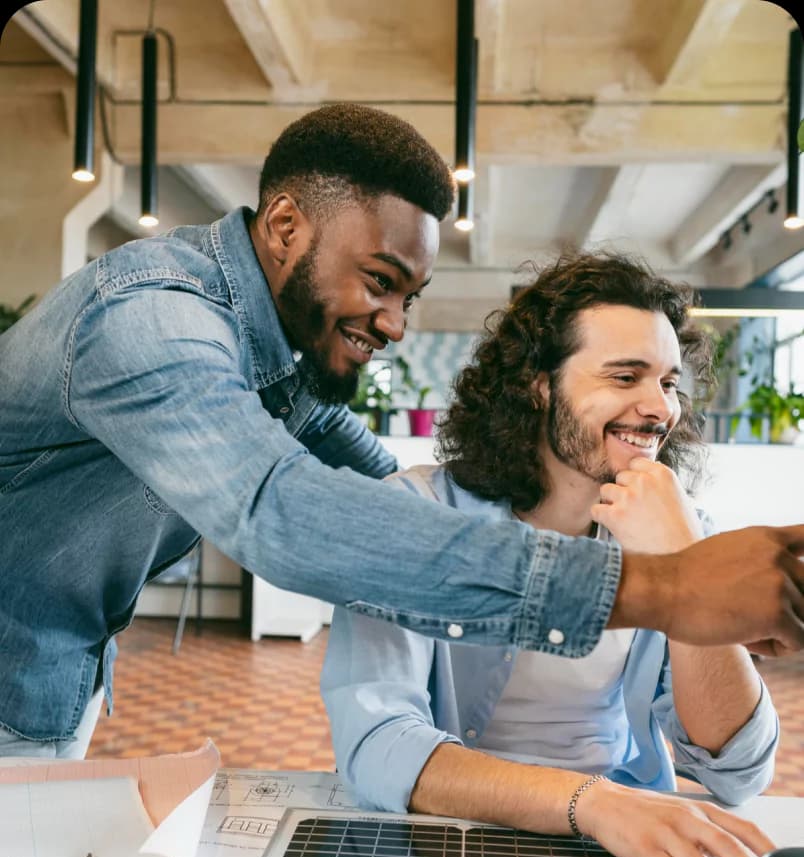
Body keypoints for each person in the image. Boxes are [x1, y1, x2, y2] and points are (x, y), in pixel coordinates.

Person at [0, 104, 802, 760]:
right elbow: (280, 514)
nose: (394, 325)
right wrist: (669, 590)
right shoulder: (153, 321)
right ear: (285, 226)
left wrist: (477, 499)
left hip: (52, 676)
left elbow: (380, 475)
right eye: (380, 282)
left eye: (409, 298)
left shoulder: (270, 353)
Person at [321, 251, 781, 857]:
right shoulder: (414, 514)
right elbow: (378, 744)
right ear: (538, 385)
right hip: (452, 850)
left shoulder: (682, 530)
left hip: (619, 855)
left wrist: (686, 565)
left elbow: (738, 770)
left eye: (667, 383)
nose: (659, 409)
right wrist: (590, 804)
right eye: (624, 376)